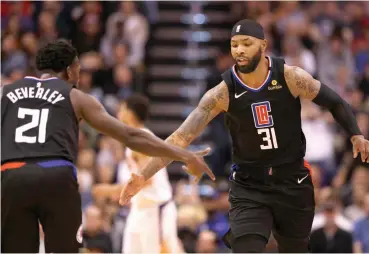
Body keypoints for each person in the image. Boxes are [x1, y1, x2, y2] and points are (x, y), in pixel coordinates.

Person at [119, 19, 369, 253]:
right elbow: (180, 137)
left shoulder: (290, 76)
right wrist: (143, 175)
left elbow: (335, 101)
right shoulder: (222, 93)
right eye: (234, 45)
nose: (239, 50)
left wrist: (356, 134)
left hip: (292, 182)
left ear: (263, 45)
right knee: (245, 246)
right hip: (250, 185)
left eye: (246, 44)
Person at [0, 39, 214, 253]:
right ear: (69, 70)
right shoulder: (76, 97)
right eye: (78, 69)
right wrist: (185, 155)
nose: (79, 75)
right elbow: (131, 135)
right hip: (55, 176)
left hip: (12, 175)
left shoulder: (5, 92)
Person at [93, 94, 183, 253]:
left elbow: (147, 180)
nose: (118, 113)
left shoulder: (142, 140)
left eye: (121, 108)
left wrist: (110, 190)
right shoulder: (134, 138)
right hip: (141, 209)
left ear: (130, 113)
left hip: (155, 210)